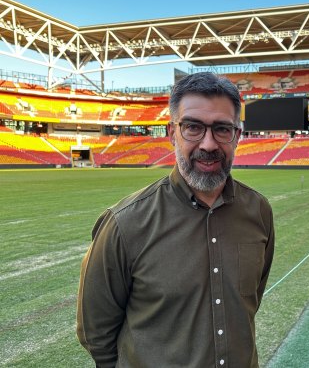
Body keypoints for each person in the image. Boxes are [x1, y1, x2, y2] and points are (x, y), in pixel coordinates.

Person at [77, 72, 275, 368]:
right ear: (172, 133)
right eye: (193, 127)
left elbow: (249, 302)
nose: (208, 144)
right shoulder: (123, 223)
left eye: (222, 129)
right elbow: (96, 332)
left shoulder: (258, 211)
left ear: (237, 135)